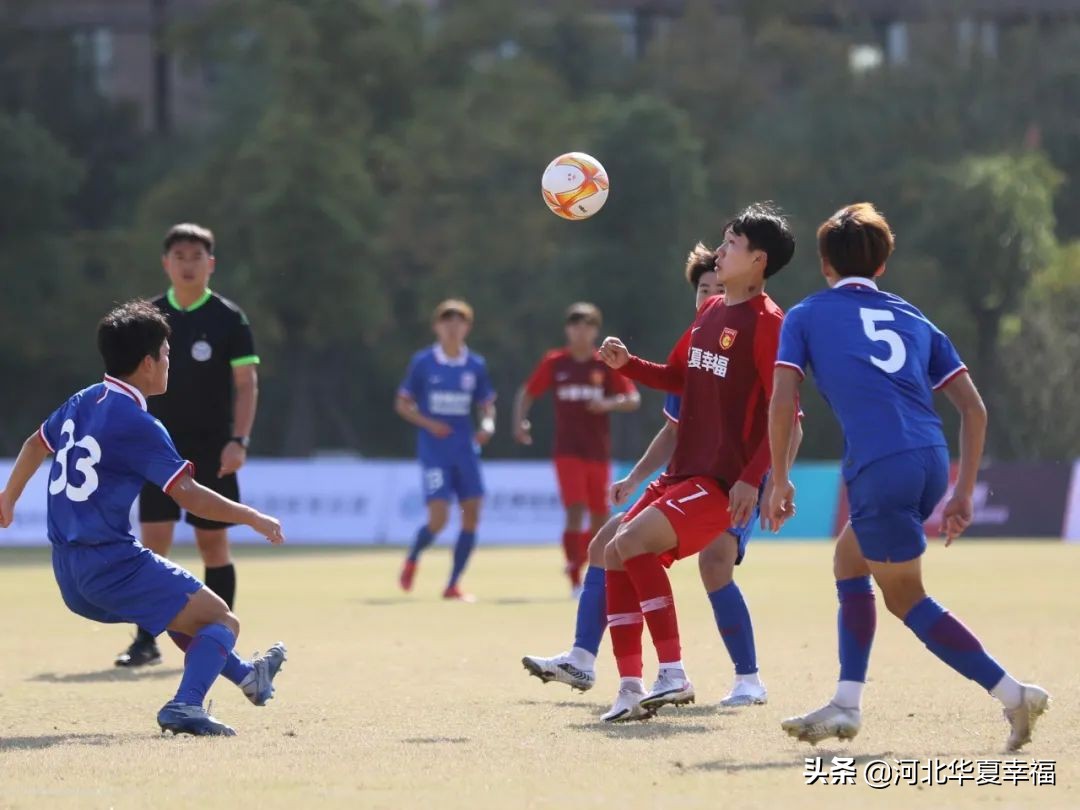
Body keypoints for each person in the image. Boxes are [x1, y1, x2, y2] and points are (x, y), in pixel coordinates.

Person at [767, 202, 1049, 752]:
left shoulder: (804, 314)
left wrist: (779, 478)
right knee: (849, 559)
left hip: (880, 465)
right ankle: (846, 702)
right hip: (926, 461)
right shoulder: (917, 318)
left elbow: (782, 400)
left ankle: (1015, 694)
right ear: (882, 266)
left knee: (906, 600)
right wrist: (963, 489)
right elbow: (973, 408)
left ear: (825, 264)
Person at [0, 300, 286, 736]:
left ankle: (249, 677)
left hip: (68, 573)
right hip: (112, 565)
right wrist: (251, 516)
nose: (170, 362)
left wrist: (8, 497)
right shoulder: (137, 422)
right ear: (149, 362)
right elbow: (188, 496)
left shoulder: (82, 401)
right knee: (222, 620)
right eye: (167, 354)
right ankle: (185, 706)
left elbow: (35, 444)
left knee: (183, 614)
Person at [117, 223, 261, 668]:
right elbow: (127, 383)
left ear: (210, 264)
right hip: (156, 447)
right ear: (166, 263)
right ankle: (144, 641)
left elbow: (246, 383)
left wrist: (239, 440)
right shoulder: (148, 318)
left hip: (213, 447)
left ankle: (218, 639)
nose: (187, 264)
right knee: (153, 544)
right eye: (178, 256)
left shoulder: (229, 319)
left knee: (213, 547)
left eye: (196, 256)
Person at [513, 303, 640, 594]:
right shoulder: (555, 362)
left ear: (595, 330)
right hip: (567, 451)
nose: (580, 331)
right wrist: (520, 423)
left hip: (597, 451)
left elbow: (632, 399)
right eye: (575, 325)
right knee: (575, 509)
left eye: (587, 325)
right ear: (567, 329)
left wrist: (608, 403)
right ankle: (573, 576)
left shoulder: (603, 363)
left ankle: (586, 564)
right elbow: (527, 392)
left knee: (599, 516)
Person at [396, 299, 496, 601]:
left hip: (465, 451)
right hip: (435, 452)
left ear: (467, 327)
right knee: (438, 519)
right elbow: (402, 404)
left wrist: (488, 425)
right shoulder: (424, 362)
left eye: (459, 321)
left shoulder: (475, 365)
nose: (453, 327)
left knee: (472, 515)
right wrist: (429, 423)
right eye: (447, 321)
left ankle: (453, 584)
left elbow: (487, 405)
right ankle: (413, 556)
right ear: (437, 326)